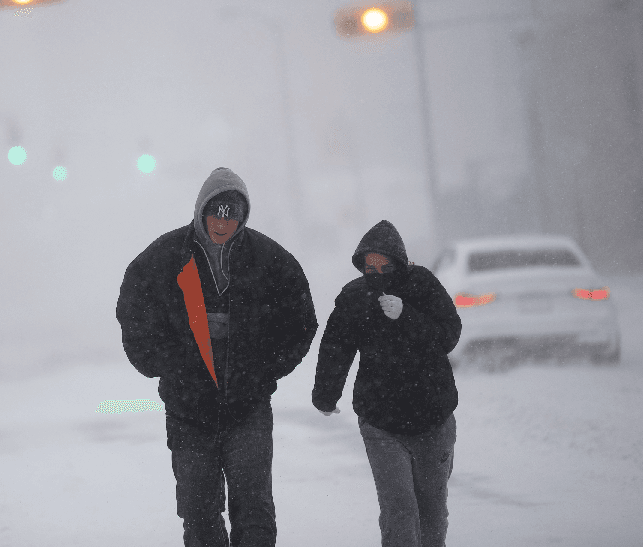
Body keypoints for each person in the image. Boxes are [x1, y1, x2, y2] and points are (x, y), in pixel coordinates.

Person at [117, 167, 317, 547]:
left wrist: (264, 369)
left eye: (233, 215)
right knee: (199, 516)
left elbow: (301, 319)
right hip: (188, 413)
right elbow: (134, 313)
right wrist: (170, 365)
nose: (224, 222)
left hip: (248, 409)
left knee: (254, 513)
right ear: (201, 211)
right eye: (217, 213)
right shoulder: (165, 258)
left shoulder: (268, 259)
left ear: (243, 217)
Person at [312, 219, 461, 547]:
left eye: (384, 264)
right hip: (381, 421)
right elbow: (336, 347)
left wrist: (406, 314)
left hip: (433, 418)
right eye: (369, 266)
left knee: (431, 508)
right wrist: (325, 394)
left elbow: (449, 334)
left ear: (398, 262)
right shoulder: (354, 297)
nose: (376, 272)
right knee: (399, 506)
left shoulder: (422, 284)